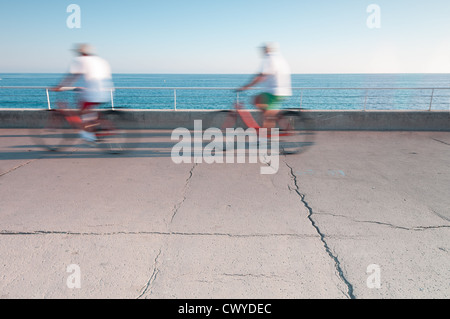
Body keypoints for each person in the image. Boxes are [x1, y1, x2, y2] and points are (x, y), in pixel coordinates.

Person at [53, 44, 114, 142]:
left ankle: (90, 136)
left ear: (80, 52)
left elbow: (73, 76)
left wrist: (59, 86)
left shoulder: (80, 60)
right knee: (90, 112)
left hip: (92, 93)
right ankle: (103, 128)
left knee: (83, 113)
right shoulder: (101, 60)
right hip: (105, 91)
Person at [237, 42, 292, 129]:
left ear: (266, 50)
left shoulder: (268, 58)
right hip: (284, 91)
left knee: (256, 101)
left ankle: (265, 134)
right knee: (269, 111)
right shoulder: (280, 59)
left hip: (273, 91)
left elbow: (261, 76)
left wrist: (246, 86)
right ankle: (279, 122)